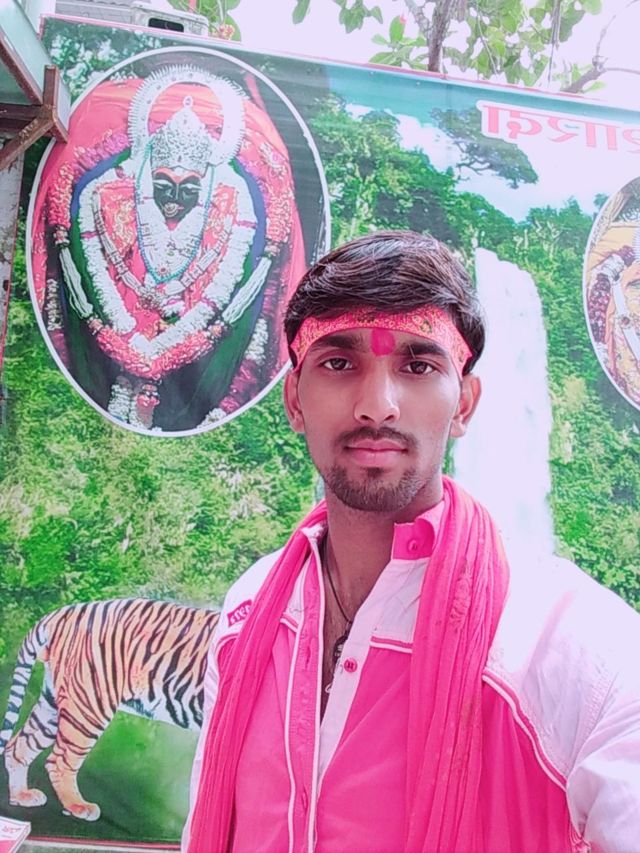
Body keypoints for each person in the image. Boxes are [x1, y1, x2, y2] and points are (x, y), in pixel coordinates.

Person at [183, 231, 640, 852]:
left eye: (419, 365)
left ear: (464, 405)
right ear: (294, 400)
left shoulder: (572, 650)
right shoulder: (252, 609)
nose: (378, 407)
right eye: (338, 363)